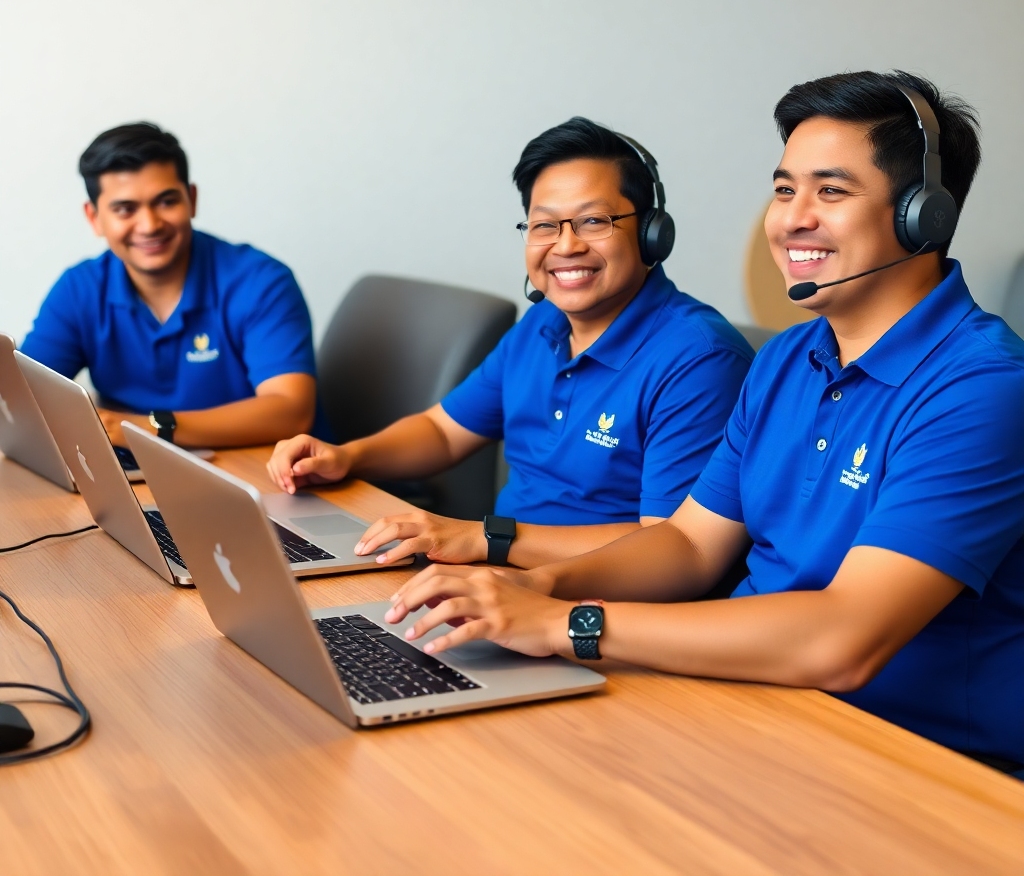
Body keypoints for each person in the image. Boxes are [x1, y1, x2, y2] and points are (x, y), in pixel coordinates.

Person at [383, 73, 1024, 776]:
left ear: (921, 215)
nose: (791, 219)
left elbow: (843, 637)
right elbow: (688, 544)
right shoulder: (787, 358)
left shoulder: (984, 387)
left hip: (917, 761)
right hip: (757, 705)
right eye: (784, 190)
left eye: (830, 192)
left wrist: (566, 623)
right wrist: (534, 590)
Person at [268, 117, 753, 568]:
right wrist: (348, 457)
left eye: (594, 221)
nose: (566, 246)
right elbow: (443, 431)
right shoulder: (541, 324)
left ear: (652, 234)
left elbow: (667, 549)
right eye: (544, 225)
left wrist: (488, 538)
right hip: (501, 575)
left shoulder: (700, 361)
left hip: (600, 602)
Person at [20, 122, 322, 448]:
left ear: (191, 200)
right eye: (125, 209)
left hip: (266, 473)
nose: (149, 225)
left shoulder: (261, 282)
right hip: (139, 471)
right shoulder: (79, 290)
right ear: (94, 218)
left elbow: (291, 412)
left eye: (166, 202)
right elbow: (24, 399)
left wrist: (143, 429)